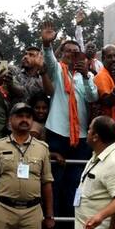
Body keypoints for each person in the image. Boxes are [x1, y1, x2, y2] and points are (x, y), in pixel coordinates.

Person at [41, 22, 99, 217]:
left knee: (76, 180)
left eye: (76, 52)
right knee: (54, 179)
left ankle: (72, 220)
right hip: (57, 132)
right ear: (63, 54)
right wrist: (47, 44)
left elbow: (93, 97)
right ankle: (53, 220)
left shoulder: (87, 75)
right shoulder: (57, 70)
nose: (71, 55)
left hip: (81, 136)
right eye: (68, 52)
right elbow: (48, 61)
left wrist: (84, 75)